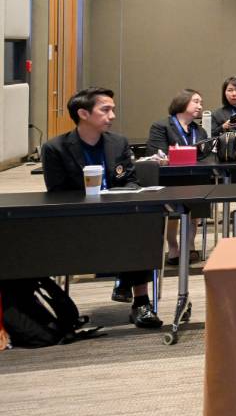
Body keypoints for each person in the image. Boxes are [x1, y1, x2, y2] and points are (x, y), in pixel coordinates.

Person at [40, 88, 160, 328]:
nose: (112, 115)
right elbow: (57, 193)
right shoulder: (55, 148)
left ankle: (142, 303)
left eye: (112, 109)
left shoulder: (118, 142)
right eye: (105, 110)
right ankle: (123, 281)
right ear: (83, 113)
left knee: (144, 224)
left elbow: (131, 181)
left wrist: (118, 195)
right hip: (78, 221)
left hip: (117, 217)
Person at [147, 89, 208, 154]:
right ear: (182, 102)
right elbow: (158, 157)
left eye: (201, 104)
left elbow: (205, 156)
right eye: (196, 102)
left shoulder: (201, 131)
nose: (200, 107)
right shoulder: (161, 128)